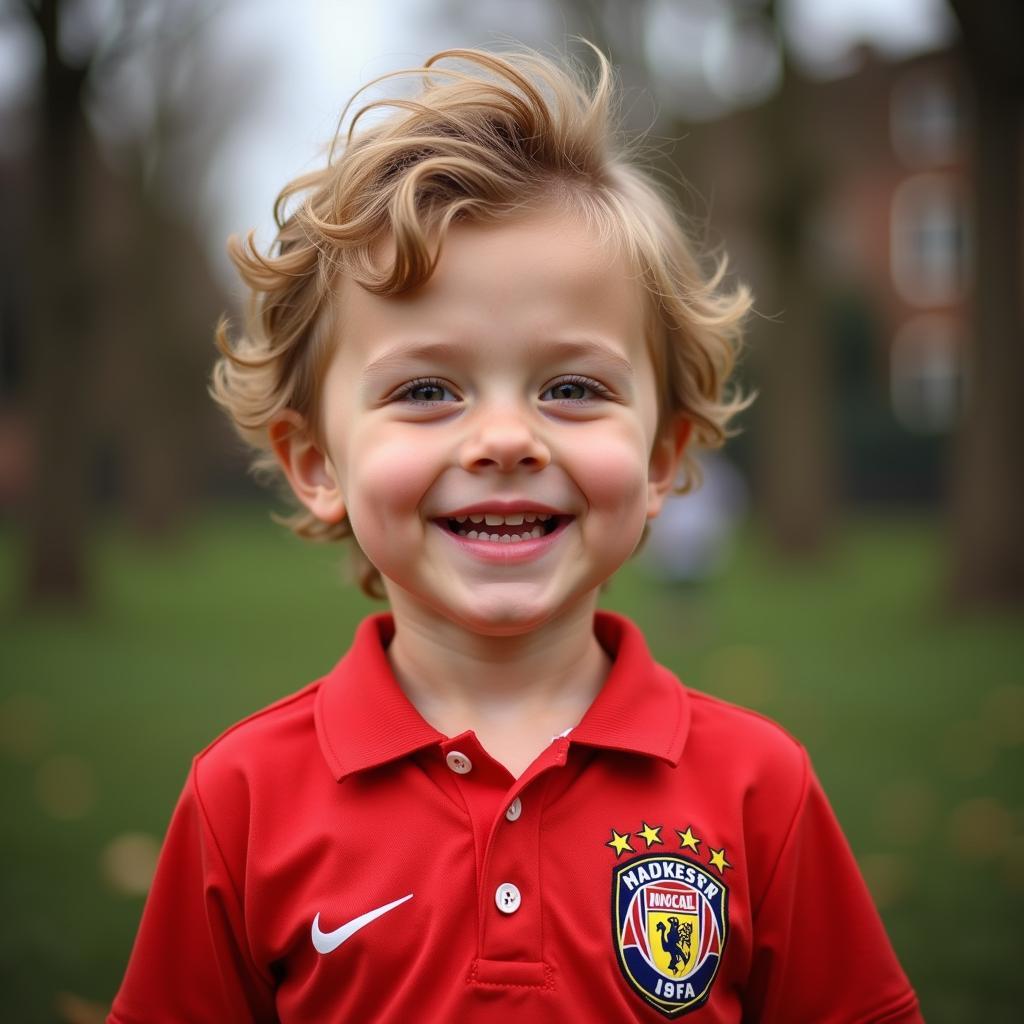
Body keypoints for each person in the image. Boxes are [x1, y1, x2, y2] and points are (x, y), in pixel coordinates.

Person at [109, 44, 921, 1023]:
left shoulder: (761, 792)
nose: (503, 438)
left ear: (661, 457)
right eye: (425, 389)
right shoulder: (240, 799)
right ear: (318, 463)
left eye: (571, 387)